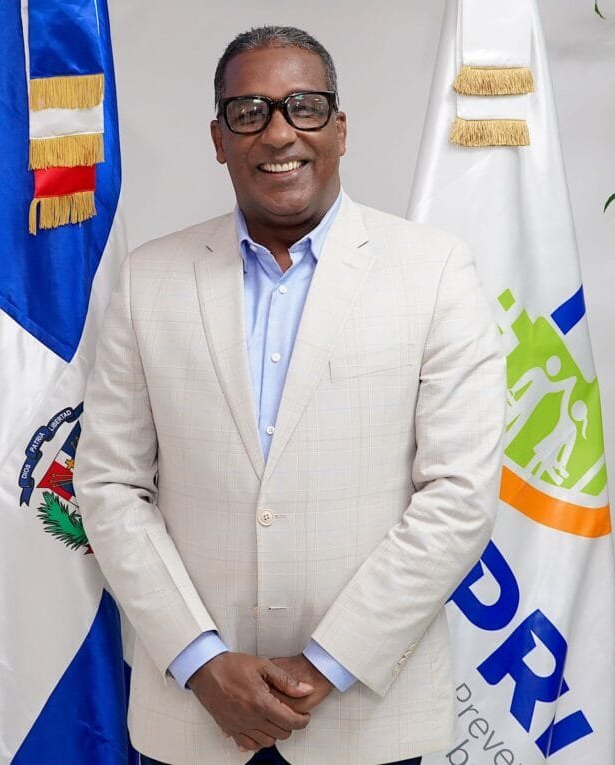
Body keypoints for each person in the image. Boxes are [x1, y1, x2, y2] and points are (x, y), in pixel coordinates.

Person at [74, 25, 506, 765]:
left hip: (367, 719)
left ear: (340, 128)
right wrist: (201, 660)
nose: (279, 132)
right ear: (219, 139)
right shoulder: (149, 279)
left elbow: (459, 496)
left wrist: (324, 666)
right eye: (249, 112)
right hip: (195, 715)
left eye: (304, 107)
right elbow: (111, 484)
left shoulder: (436, 272)